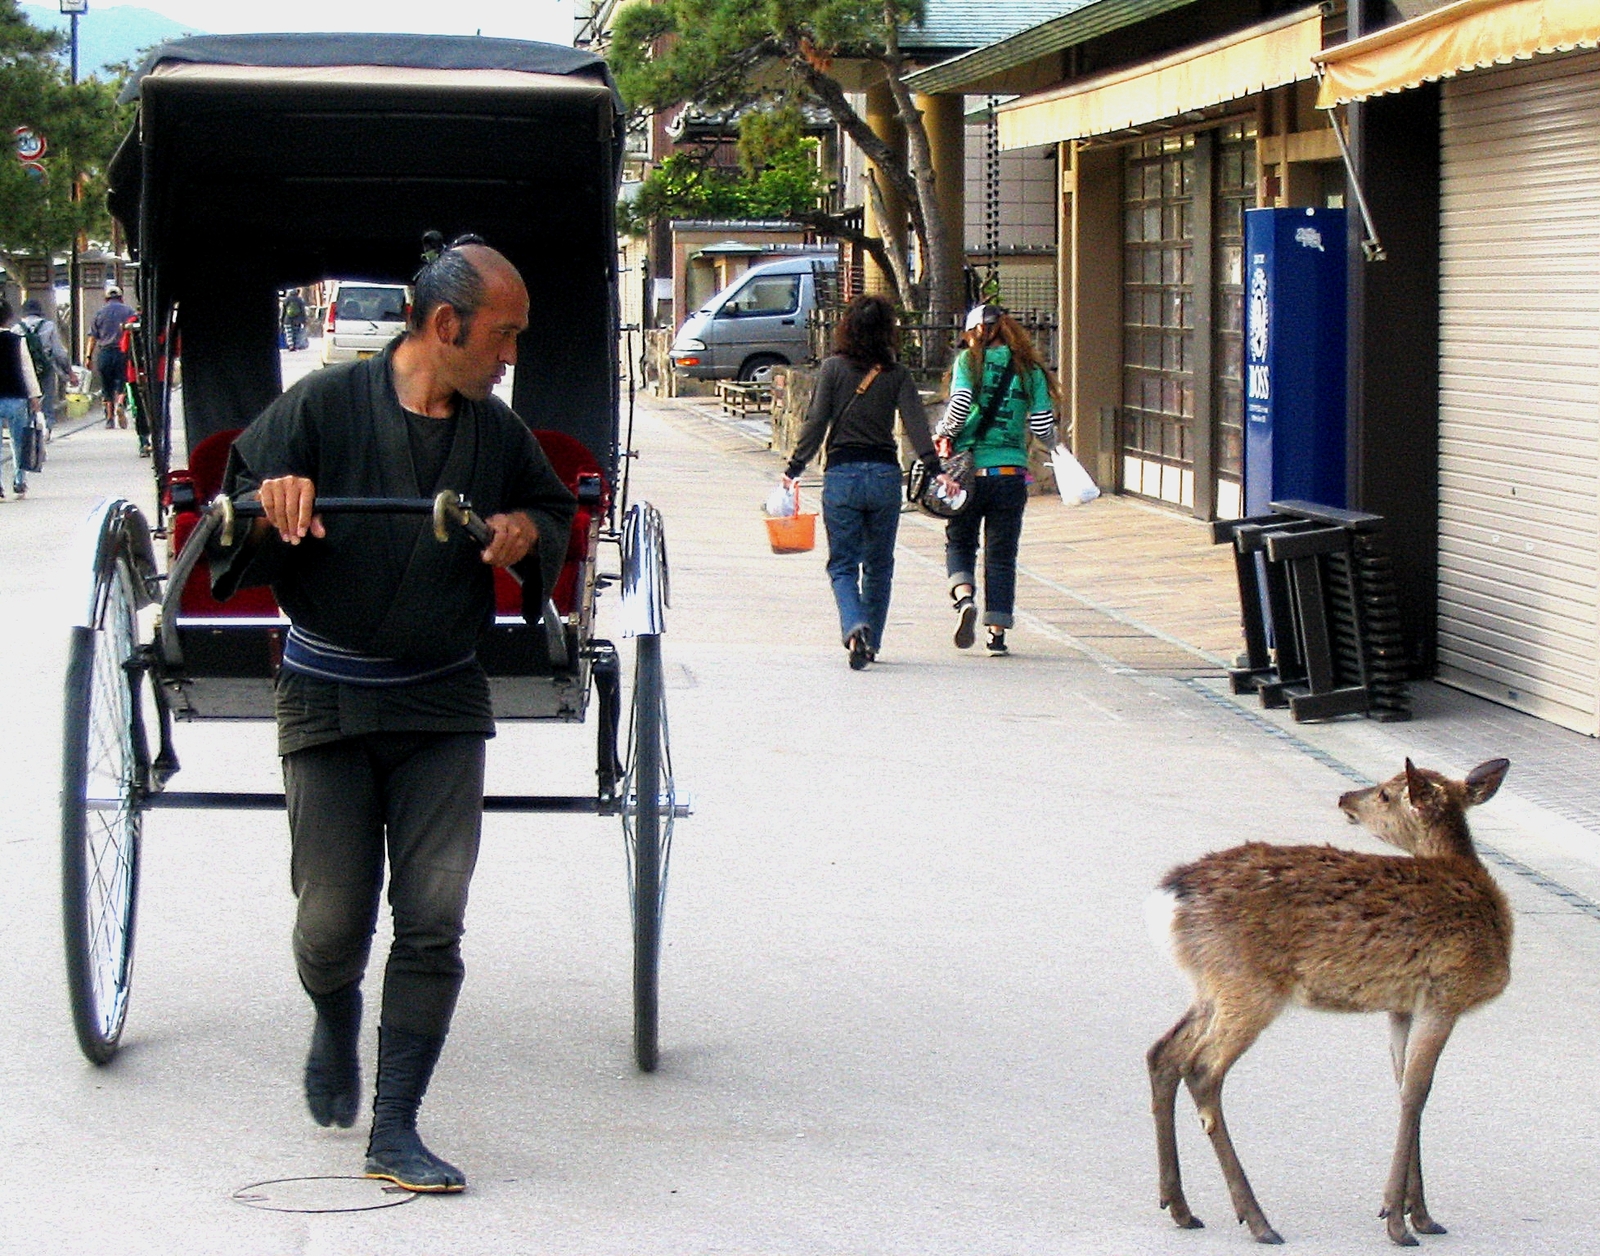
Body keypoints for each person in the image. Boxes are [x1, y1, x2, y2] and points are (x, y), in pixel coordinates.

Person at [212, 239, 577, 1192]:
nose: (510, 356)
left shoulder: (496, 432)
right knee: (332, 920)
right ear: (446, 325)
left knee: (432, 918)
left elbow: (550, 507)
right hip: (328, 690)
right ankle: (334, 1012)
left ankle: (397, 1126)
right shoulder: (324, 405)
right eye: (503, 335)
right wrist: (270, 502)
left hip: (444, 696)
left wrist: (520, 531)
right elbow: (236, 504)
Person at [782, 293, 950, 670]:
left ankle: (853, 622)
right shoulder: (897, 374)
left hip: (842, 475)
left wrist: (795, 467)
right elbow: (917, 426)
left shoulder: (832, 369)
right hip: (884, 477)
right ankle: (870, 640)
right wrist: (935, 468)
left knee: (842, 564)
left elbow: (816, 422)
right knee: (879, 564)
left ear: (847, 328)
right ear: (888, 330)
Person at [934, 304, 1061, 655]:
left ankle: (964, 600)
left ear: (975, 331)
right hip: (1010, 474)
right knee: (1001, 555)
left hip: (968, 477)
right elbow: (1040, 426)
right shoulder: (1030, 370)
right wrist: (1055, 448)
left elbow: (959, 406)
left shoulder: (968, 363)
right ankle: (996, 634)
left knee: (960, 542)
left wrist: (942, 431)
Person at [0, 300, 42, 498]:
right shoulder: (18, 340)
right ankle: (19, 481)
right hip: (16, 396)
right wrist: (34, 396)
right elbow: (27, 369)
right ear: (8, 317)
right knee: (18, 442)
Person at [19, 298, 69, 438]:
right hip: (46, 368)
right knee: (46, 402)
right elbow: (59, 352)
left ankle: (29, 431)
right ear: (40, 312)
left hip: (24, 371)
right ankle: (46, 427)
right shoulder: (49, 326)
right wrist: (68, 372)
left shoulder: (17, 329)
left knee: (28, 402)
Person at [90, 286, 136, 429]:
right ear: (121, 298)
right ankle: (121, 403)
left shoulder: (99, 313)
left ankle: (109, 418)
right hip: (123, 352)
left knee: (106, 385)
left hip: (105, 352)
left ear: (106, 299)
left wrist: (88, 357)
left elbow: (92, 338)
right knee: (124, 381)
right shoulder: (129, 312)